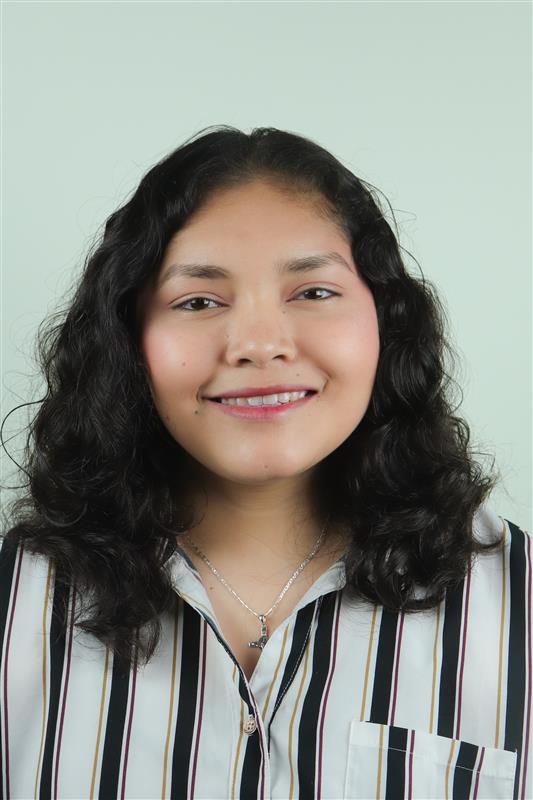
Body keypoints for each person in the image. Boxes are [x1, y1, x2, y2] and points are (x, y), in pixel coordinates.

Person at [0, 124, 530, 800]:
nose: (258, 344)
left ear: (385, 321)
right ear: (127, 341)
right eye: (198, 301)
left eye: (312, 292)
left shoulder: (518, 605)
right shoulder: (15, 603)